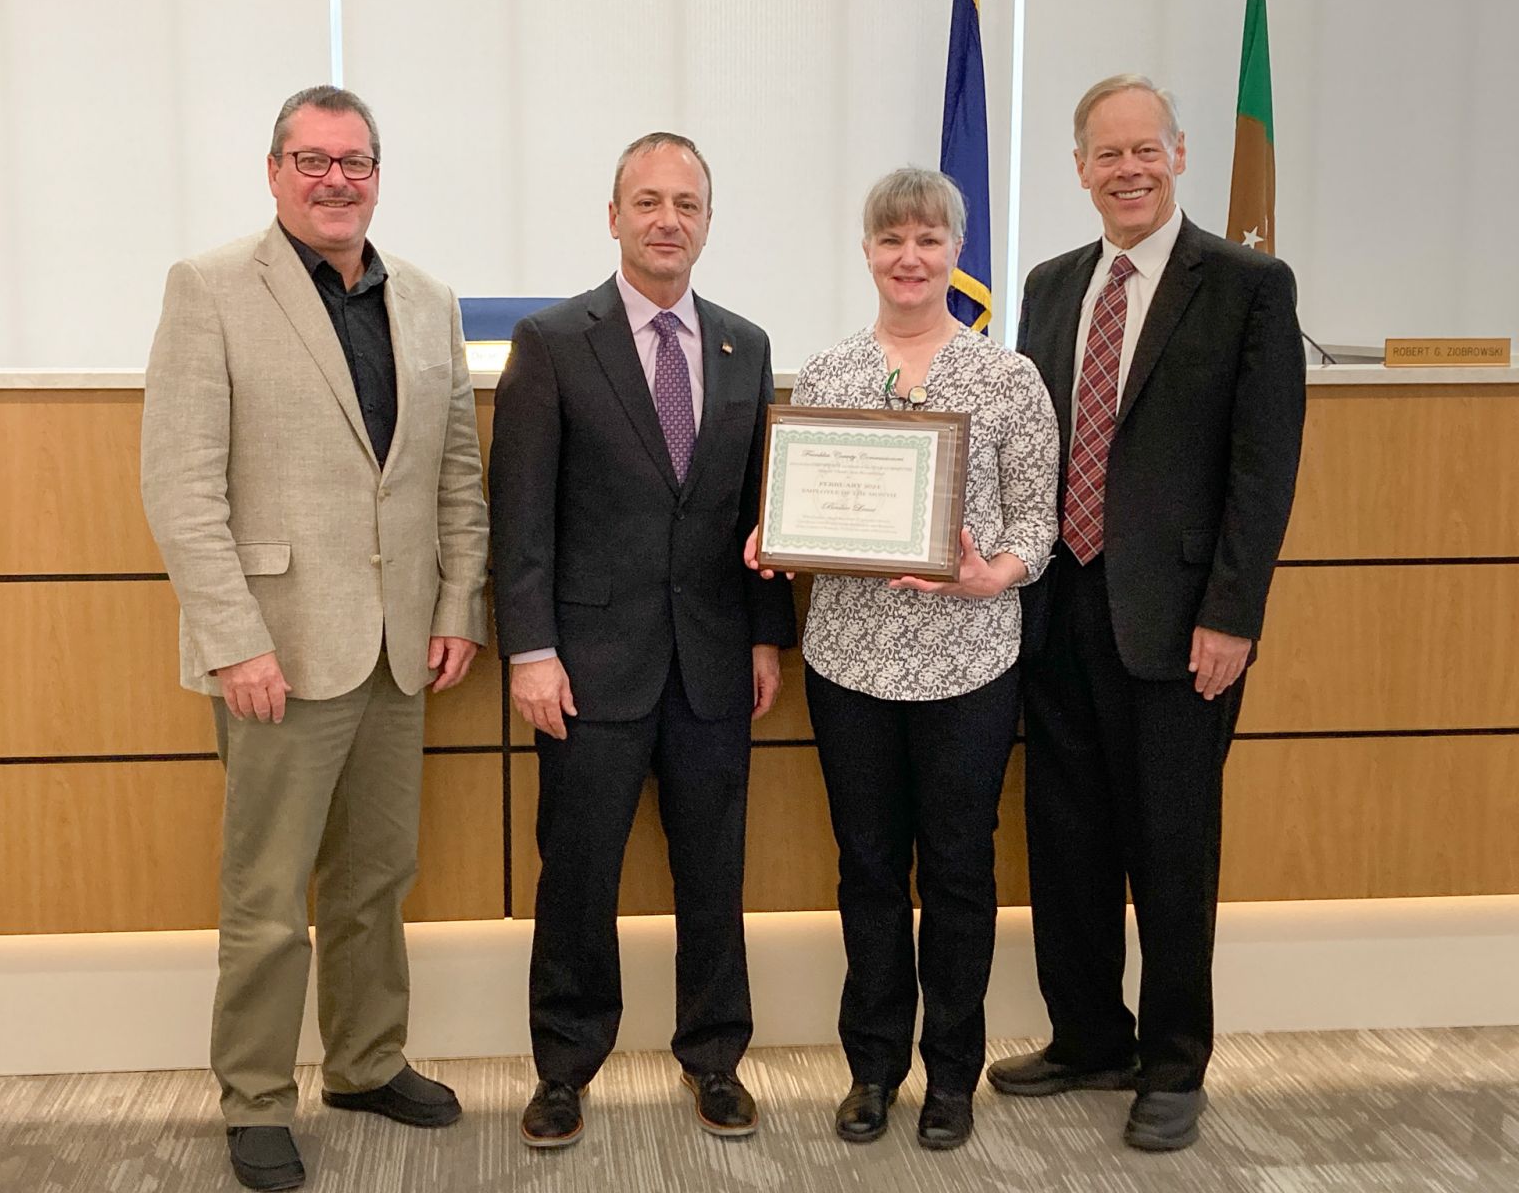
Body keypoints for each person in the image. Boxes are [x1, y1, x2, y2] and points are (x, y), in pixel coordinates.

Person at [141, 85, 489, 1191]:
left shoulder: (427, 301)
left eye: (356, 161)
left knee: (376, 875)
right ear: (275, 169)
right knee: (265, 891)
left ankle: (365, 1060)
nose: (336, 179)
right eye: (313, 159)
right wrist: (234, 639)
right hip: (276, 651)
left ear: (378, 173)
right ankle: (252, 1097)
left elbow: (455, 478)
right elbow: (180, 486)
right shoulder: (208, 290)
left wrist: (453, 609)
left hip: (398, 648)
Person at [987, 74, 1305, 1152]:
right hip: (1057, 604)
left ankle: (1173, 1062)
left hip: (1179, 619)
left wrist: (1233, 611)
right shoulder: (1047, 283)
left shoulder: (1247, 284)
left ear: (1177, 154)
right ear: (1077, 168)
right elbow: (1021, 444)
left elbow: (1263, 471)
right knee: (1065, 834)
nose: (1125, 170)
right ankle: (1088, 1037)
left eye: (1144, 150)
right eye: (1104, 154)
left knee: (1172, 843)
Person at [489, 131, 797, 1149]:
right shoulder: (552, 342)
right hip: (587, 668)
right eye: (649, 201)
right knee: (577, 870)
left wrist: (766, 641)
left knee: (714, 871)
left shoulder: (744, 346)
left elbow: (756, 511)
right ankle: (566, 1065)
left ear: (708, 222)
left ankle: (714, 1055)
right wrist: (529, 650)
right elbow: (520, 514)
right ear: (612, 215)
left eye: (688, 205)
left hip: (713, 660)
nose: (669, 220)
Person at [748, 167, 1057, 1150]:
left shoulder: (1006, 378)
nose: (909, 258)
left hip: (967, 662)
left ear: (954, 251)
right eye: (891, 240)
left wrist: (989, 576)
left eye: (927, 239)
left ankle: (952, 1076)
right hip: (849, 664)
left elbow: (1037, 524)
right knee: (870, 871)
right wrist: (773, 534)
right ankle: (873, 1069)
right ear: (868, 251)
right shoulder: (830, 372)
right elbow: (800, 495)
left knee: (959, 872)